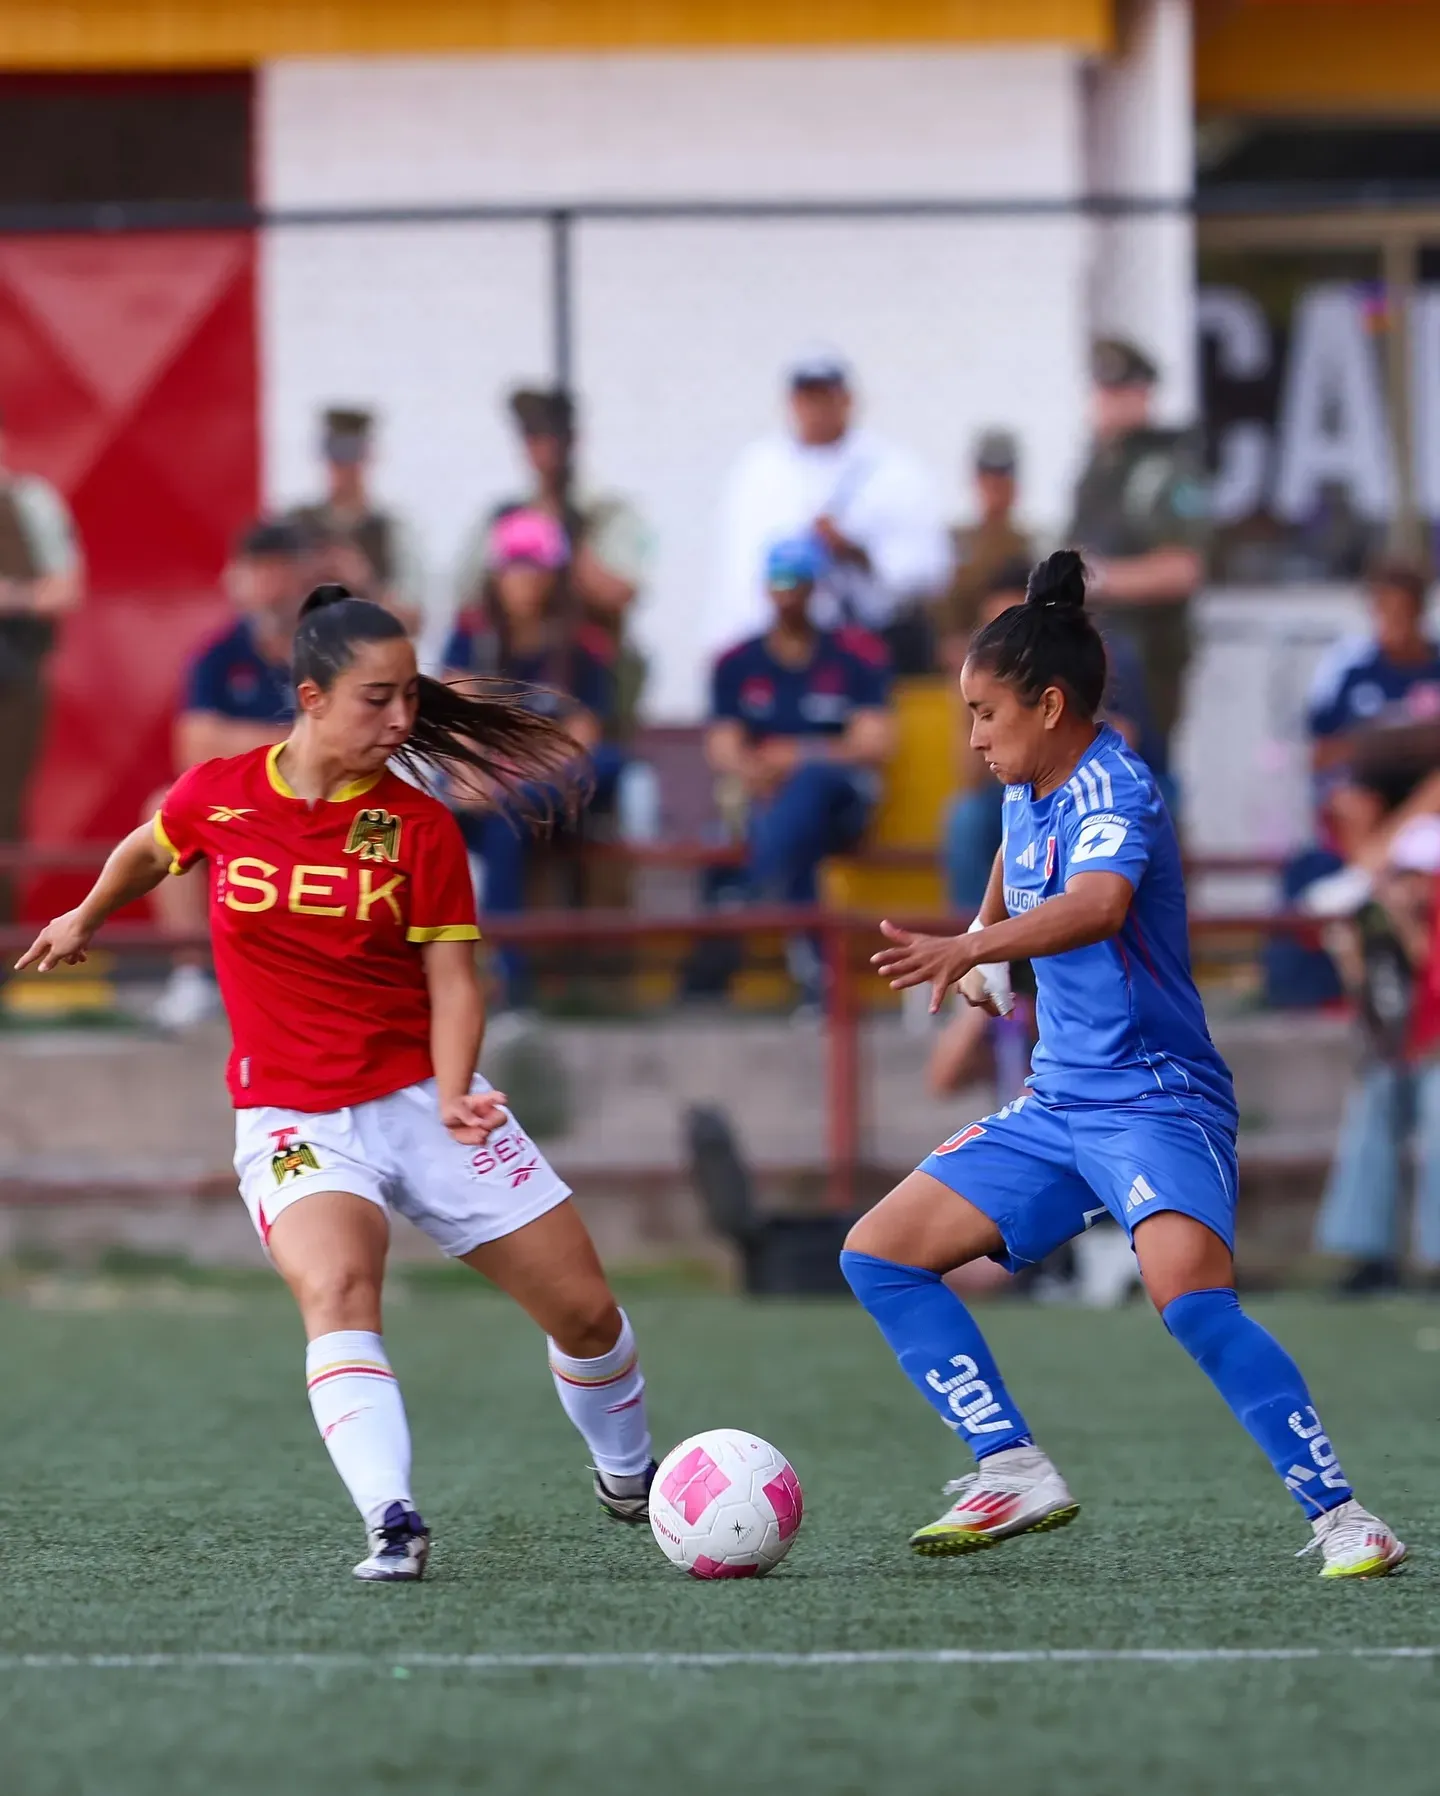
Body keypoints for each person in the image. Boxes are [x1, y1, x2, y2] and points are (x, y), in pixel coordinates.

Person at [18, 585, 657, 1581]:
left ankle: (629, 1473)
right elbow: (154, 844)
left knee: (588, 1314)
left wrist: (453, 1089)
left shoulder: (418, 827)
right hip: (291, 1113)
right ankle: (392, 1518)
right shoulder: (219, 793)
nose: (402, 721)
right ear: (311, 697)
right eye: (377, 698)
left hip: (421, 1098)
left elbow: (454, 977)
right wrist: (88, 912)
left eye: (409, 695)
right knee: (340, 1286)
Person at [841, 549, 1404, 1578]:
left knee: (1190, 1300)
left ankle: (1345, 1515)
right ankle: (1009, 1463)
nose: (973, 738)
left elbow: (1099, 903)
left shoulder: (1118, 784)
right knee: (877, 1251)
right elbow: (1020, 857)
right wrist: (983, 932)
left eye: (986, 715)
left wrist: (972, 949)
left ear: (1050, 705)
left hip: (1156, 1099)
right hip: (1059, 1102)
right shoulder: (1028, 786)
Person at [444, 508, 612, 999]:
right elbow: (453, 719)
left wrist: (503, 775)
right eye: (514, 568)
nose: (524, 582)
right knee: (449, 824)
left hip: (552, 786)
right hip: (488, 791)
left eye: (535, 569)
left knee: (518, 810)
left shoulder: (582, 644)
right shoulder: (473, 636)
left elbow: (580, 739)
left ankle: (511, 979)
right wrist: (473, 775)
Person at [149, 520, 306, 1029]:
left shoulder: (331, 650)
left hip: (322, 800)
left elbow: (351, 739)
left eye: (280, 570)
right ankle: (194, 976)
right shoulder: (218, 654)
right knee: (159, 812)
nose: (270, 584)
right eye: (260, 570)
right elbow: (192, 748)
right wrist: (293, 741)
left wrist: (236, 738)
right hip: (246, 801)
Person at [712, 350, 950, 673]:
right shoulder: (758, 470)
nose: (817, 410)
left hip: (865, 641)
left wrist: (854, 552)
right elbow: (737, 569)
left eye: (826, 397)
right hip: (776, 644)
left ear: (848, 400)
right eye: (808, 398)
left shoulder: (892, 470)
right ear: (791, 403)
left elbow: (928, 569)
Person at [455, 386, 653, 735]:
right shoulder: (504, 516)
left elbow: (621, 593)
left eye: (549, 436)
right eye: (531, 437)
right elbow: (467, 595)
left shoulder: (605, 514)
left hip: (588, 680)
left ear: (572, 441)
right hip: (514, 671)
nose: (540, 448)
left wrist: (564, 544)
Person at [1067, 338, 1209, 766]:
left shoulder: (1165, 471)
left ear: (1143, 394)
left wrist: (1097, 580)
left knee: (1147, 781)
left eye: (1117, 391)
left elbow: (1183, 570)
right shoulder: (1098, 469)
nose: (1105, 403)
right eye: (1102, 390)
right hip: (1095, 656)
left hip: (1148, 656)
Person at [1316, 815, 1440, 1292]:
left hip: (1432, 1052)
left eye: (1420, 875)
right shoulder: (1375, 918)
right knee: (1370, 1122)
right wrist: (1351, 950)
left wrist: (1408, 925)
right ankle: (1367, 1253)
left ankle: (1434, 1259)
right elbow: (1369, 999)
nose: (1410, 887)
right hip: (1399, 1052)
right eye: (1404, 874)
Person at [0, 410, 84, 932]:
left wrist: (11, 598)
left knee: (4, 810)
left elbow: (67, 589)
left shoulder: (29, 503)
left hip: (12, 677)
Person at [287, 408, 423, 634]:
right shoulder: (294, 525)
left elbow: (412, 623)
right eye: (333, 451)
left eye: (350, 452)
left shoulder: (392, 531)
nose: (341, 465)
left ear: (367, 455)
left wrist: (365, 582)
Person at [934, 430, 1034, 660]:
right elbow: (944, 608)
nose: (995, 488)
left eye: (1002, 480)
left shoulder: (1031, 544)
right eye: (988, 479)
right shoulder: (955, 543)